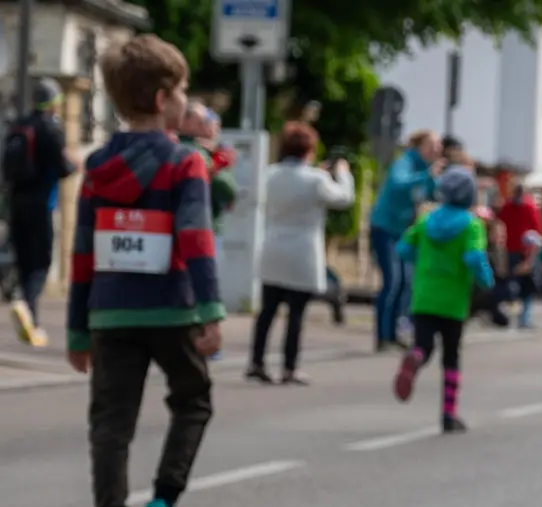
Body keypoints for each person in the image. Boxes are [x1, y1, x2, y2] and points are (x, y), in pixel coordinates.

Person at [66, 35, 222, 507]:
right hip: (172, 307)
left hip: (110, 311)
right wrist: (210, 311)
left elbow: (82, 253)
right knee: (193, 399)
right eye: (180, 89)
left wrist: (77, 330)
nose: (186, 99)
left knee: (110, 421)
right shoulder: (185, 164)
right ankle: (164, 502)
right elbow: (195, 239)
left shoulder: (98, 167)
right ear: (161, 99)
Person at [249, 122, 355, 385]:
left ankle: (256, 361)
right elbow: (343, 198)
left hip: (273, 247)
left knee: (267, 310)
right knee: (296, 313)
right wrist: (342, 174)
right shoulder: (316, 179)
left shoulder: (270, 174)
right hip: (302, 252)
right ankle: (289, 367)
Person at [390, 167, 494, 434]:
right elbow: (473, 258)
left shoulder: (426, 221)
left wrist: (423, 263)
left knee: (423, 344)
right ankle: (448, 415)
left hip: (423, 295)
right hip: (453, 301)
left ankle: (414, 356)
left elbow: (403, 249)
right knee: (451, 357)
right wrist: (487, 280)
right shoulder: (472, 225)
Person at [5, 78, 76, 347]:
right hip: (41, 204)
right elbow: (61, 168)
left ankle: (30, 316)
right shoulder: (51, 129)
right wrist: (75, 165)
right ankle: (26, 303)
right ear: (55, 103)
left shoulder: (19, 125)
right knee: (41, 263)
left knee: (23, 261)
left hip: (16, 202)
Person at [370, 131, 443, 351]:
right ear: (419, 145)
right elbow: (398, 183)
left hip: (403, 231)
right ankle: (382, 336)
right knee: (392, 280)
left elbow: (433, 194)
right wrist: (427, 175)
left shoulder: (426, 169)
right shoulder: (405, 162)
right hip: (384, 227)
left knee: (405, 281)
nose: (436, 150)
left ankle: (393, 333)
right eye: (431, 145)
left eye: (438, 146)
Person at [178, 101, 237, 239]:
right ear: (186, 122)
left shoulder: (176, 145)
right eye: (202, 121)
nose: (208, 124)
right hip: (201, 227)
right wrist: (218, 166)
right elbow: (227, 189)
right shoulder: (197, 152)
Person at [496, 180, 542, 327]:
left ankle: (519, 317)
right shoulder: (529, 206)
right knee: (524, 286)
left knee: (519, 284)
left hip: (517, 251)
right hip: (521, 251)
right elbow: (538, 229)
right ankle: (522, 318)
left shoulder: (511, 206)